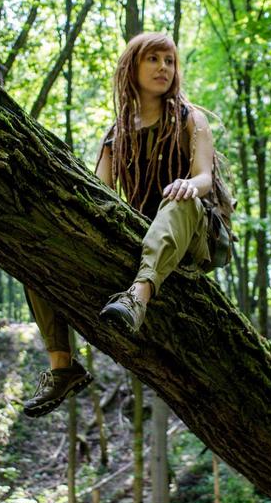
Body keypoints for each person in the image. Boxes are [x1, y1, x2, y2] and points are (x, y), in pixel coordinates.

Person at [23, 31, 215, 418]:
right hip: (143, 232)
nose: (163, 67)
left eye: (169, 61)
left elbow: (204, 178)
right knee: (36, 250)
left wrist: (185, 185)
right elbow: (100, 192)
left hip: (191, 232)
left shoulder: (190, 118)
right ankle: (63, 366)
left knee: (179, 198)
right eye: (154, 59)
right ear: (133, 67)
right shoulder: (116, 134)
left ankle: (138, 297)